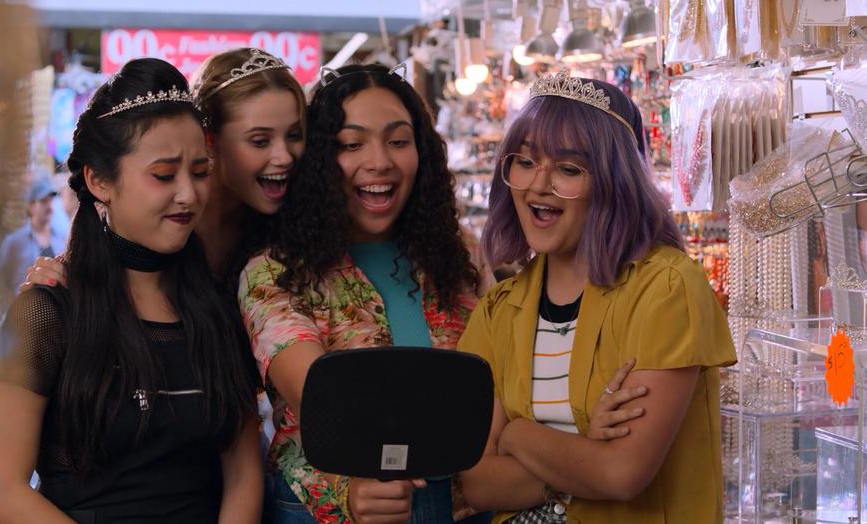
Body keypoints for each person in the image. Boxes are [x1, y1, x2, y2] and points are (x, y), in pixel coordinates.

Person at [237, 64, 644, 524]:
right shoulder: (275, 272)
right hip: (339, 509)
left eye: (397, 140)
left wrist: (575, 423)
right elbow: (328, 402)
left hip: (468, 506)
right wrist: (564, 449)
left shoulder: (459, 257)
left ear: (422, 152)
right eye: (351, 144)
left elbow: (516, 379)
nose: (380, 162)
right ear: (318, 162)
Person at [0, 58, 262, 523]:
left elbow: (243, 476)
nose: (189, 194)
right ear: (99, 181)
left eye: (199, 171)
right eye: (164, 174)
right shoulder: (47, 312)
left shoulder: (218, 309)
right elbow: (2, 489)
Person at [458, 70, 737, 523]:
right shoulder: (498, 310)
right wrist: (581, 453)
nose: (538, 184)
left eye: (568, 169)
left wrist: (520, 437)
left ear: (613, 182)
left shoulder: (664, 288)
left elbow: (621, 473)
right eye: (525, 162)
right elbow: (478, 482)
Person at [22, 47, 306, 288]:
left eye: (294, 134)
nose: (284, 156)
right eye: (259, 141)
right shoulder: (144, 224)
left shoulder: (299, 226)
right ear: (209, 141)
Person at [0, 177, 67, 297]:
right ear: (31, 206)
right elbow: (0, 283)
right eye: (43, 201)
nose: (49, 206)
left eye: (50, 200)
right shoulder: (14, 242)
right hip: (23, 310)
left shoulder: (62, 238)